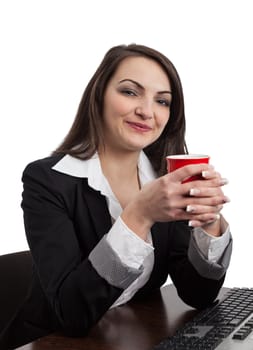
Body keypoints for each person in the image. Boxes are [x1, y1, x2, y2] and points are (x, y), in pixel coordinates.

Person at [0, 44, 232, 349]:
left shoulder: (163, 178)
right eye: (130, 92)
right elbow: (72, 313)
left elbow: (198, 295)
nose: (147, 112)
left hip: (127, 337)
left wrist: (208, 222)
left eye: (162, 101)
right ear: (98, 96)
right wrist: (140, 215)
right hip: (48, 342)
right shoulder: (47, 180)